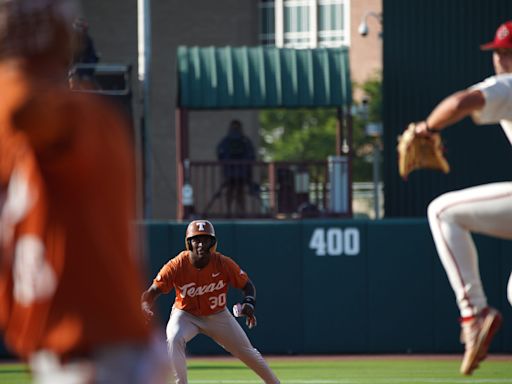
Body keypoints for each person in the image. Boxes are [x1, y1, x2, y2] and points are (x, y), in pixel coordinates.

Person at [0, 0, 169, 382]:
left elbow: (23, 110)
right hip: (72, 352)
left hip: (103, 357)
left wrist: (16, 57)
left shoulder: (82, 119)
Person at [412, 20, 512, 376]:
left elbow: (462, 101)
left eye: (506, 52)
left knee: (442, 212)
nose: (499, 59)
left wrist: (428, 128)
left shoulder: (510, 84)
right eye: (498, 52)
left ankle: (475, 313)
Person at [141, 220, 280, 384]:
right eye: (196, 239)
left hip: (218, 315)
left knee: (247, 352)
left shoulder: (223, 263)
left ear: (212, 243)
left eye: (205, 240)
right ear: (189, 243)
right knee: (173, 338)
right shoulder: (177, 264)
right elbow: (151, 293)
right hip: (185, 315)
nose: (201, 244)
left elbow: (247, 286)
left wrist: (249, 303)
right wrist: (144, 306)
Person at [216, 119, 256, 216]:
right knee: (233, 192)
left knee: (238, 192)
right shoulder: (241, 141)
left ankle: (239, 211)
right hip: (235, 172)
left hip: (237, 172)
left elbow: (220, 153)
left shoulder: (243, 141)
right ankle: (232, 211)